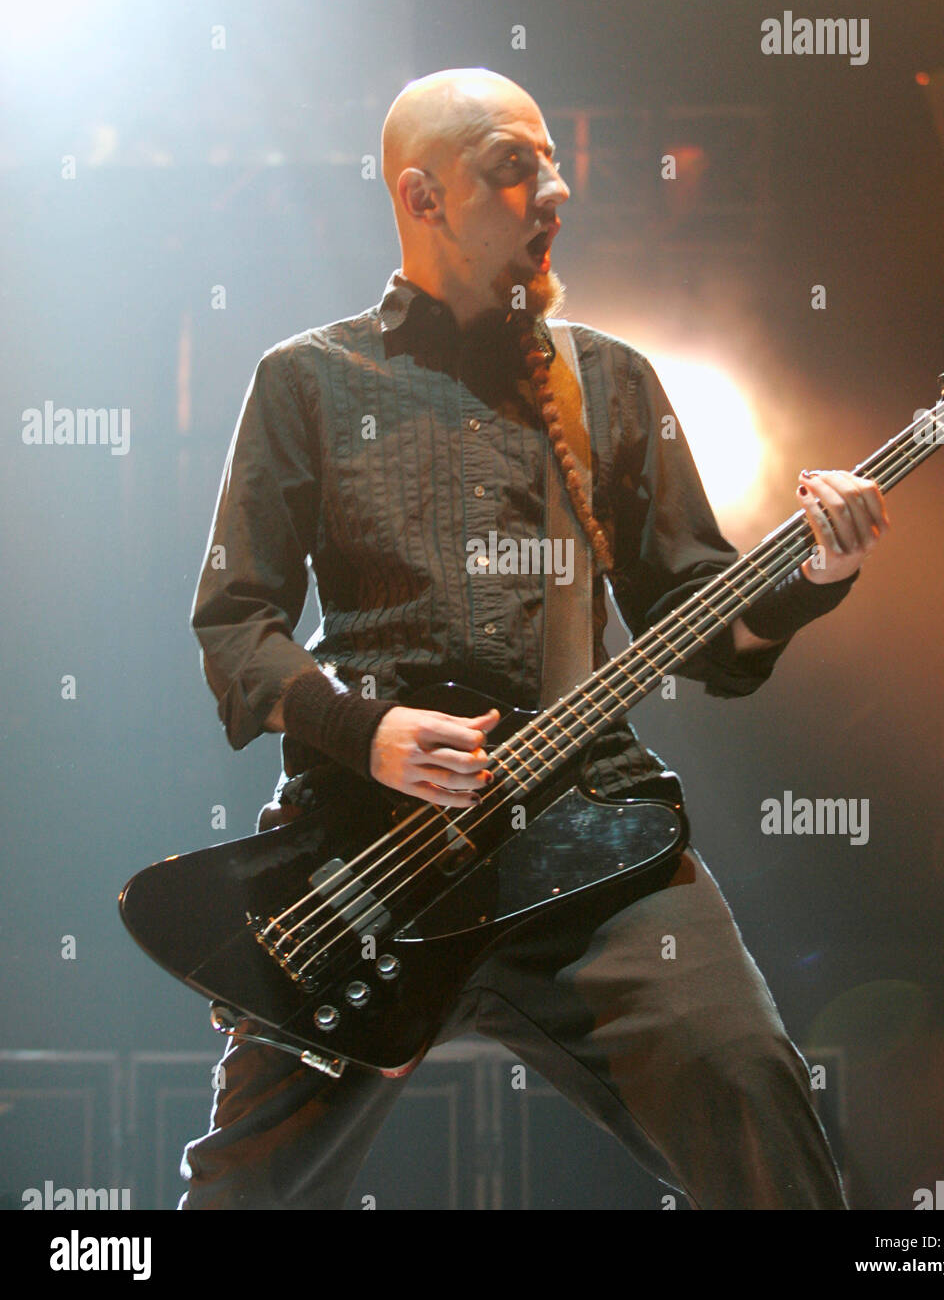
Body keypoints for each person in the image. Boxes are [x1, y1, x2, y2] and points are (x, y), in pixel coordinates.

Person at [180, 67, 889, 1210]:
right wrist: (365, 735)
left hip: (592, 845)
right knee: (245, 1196)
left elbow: (702, 628)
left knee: (756, 1098)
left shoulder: (609, 382)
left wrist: (815, 572)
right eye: (515, 167)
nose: (554, 190)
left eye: (554, 160)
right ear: (423, 197)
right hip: (370, 864)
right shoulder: (306, 381)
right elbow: (235, 628)